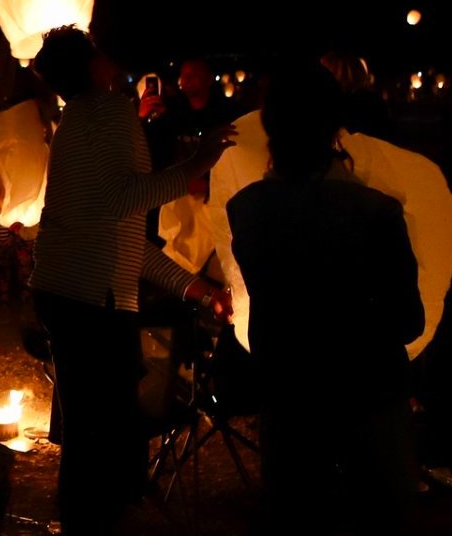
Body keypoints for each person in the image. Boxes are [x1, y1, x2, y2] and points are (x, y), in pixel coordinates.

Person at [29, 28, 235, 535]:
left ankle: (90, 511)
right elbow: (124, 202)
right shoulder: (108, 110)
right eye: (98, 52)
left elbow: (119, 232)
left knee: (90, 421)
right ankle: (98, 516)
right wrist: (195, 166)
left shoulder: (76, 118)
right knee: (106, 422)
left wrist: (196, 288)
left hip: (66, 287)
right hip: (89, 297)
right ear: (90, 65)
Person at [227, 65, 424, 535]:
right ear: (335, 125)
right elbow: (408, 320)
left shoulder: (246, 209)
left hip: (288, 401)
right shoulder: (375, 212)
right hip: (369, 401)